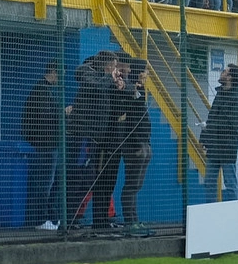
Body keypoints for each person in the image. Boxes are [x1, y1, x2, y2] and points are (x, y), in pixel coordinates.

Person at [67, 50, 122, 229]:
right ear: (106, 65)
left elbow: (124, 87)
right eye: (113, 66)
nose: (115, 70)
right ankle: (68, 219)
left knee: (90, 177)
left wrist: (120, 83)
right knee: (78, 177)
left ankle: (75, 217)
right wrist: (110, 79)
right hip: (82, 135)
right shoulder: (87, 74)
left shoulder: (104, 80)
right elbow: (96, 84)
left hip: (95, 137)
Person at [21, 61, 63, 231]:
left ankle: (47, 217)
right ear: (52, 72)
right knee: (45, 183)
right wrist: (62, 113)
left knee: (48, 183)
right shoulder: (41, 92)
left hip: (45, 144)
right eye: (60, 73)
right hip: (45, 145)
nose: (61, 78)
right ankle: (41, 219)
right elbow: (44, 119)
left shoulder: (42, 91)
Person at [115, 58, 152, 236]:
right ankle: (129, 222)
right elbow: (130, 121)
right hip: (134, 144)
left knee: (136, 186)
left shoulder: (140, 91)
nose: (147, 74)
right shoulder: (130, 91)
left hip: (143, 143)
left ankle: (134, 220)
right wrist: (138, 143)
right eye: (145, 71)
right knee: (131, 185)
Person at [201, 63, 238, 202]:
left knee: (230, 183)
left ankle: (232, 213)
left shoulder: (236, 100)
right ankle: (211, 212)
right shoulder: (219, 94)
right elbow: (211, 118)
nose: (222, 73)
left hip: (227, 147)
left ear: (230, 77)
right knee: (209, 182)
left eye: (225, 72)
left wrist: (211, 128)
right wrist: (204, 139)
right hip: (214, 145)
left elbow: (230, 125)